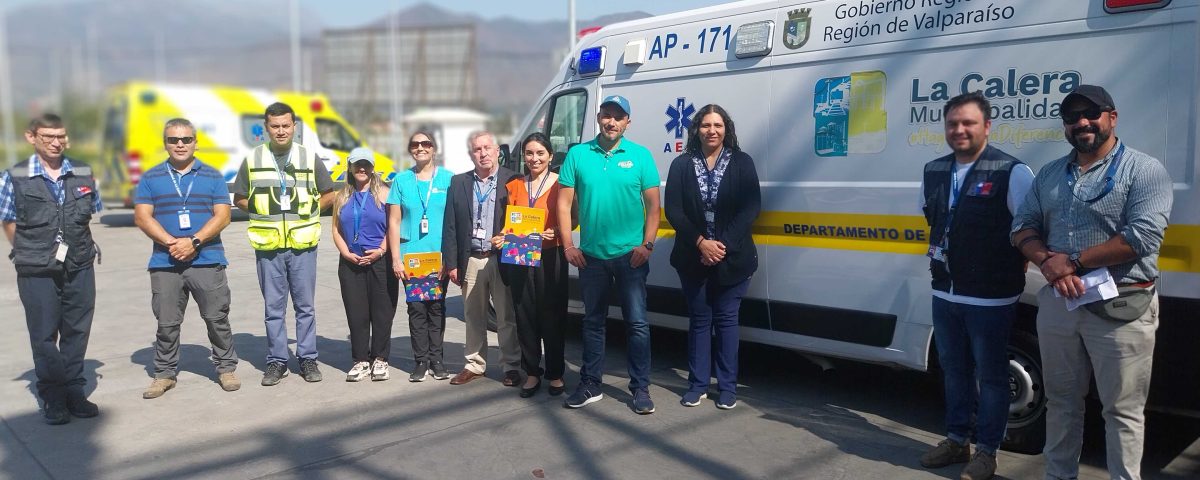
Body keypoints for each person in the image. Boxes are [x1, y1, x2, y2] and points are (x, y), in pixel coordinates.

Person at [1011, 85, 1172, 480]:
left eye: (1091, 113)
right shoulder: (1050, 174)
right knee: (1061, 403)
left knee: (1123, 411)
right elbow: (1021, 227)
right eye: (1072, 117)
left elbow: (1143, 237)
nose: (1081, 122)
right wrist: (1048, 263)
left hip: (1122, 306)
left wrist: (1073, 262)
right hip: (1060, 305)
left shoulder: (1144, 169)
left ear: (1111, 118)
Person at [917, 92, 1035, 480]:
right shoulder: (934, 170)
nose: (959, 130)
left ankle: (987, 451)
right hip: (945, 291)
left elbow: (1028, 229)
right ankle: (956, 440)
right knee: (954, 371)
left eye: (968, 122)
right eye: (953, 123)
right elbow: (933, 220)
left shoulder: (1012, 172)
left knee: (992, 375)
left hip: (991, 297)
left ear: (987, 126)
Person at [558, 95, 662, 414]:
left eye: (618, 116)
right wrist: (568, 246)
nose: (611, 121)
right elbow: (563, 204)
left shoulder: (640, 156)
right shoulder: (578, 154)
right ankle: (590, 384)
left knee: (637, 324)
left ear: (628, 122)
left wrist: (647, 245)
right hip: (591, 257)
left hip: (630, 257)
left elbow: (654, 207)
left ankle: (640, 388)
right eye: (607, 115)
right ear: (598, 118)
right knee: (593, 323)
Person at [0, 113, 103, 424]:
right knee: (44, 334)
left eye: (61, 136)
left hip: (79, 263)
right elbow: (8, 221)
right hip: (36, 268)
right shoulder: (13, 176)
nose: (56, 143)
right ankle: (53, 395)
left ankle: (74, 391)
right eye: (48, 137)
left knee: (77, 329)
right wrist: (30, 250)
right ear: (31, 137)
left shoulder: (83, 171)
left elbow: (90, 214)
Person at [133, 118, 241, 399]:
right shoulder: (151, 178)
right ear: (165, 143)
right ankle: (164, 374)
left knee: (216, 318)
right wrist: (172, 243)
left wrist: (193, 241)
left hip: (207, 259)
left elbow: (223, 216)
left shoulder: (213, 176)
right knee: (166, 322)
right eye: (173, 140)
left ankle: (226, 368)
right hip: (165, 261)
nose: (180, 144)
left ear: (195, 143)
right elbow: (142, 217)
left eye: (186, 139)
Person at [664, 104, 761, 411]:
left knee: (727, 321)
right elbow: (674, 210)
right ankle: (697, 385)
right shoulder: (682, 164)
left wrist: (721, 246)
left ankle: (728, 387)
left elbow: (751, 208)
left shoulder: (742, 162)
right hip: (692, 257)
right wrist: (701, 243)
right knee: (699, 321)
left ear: (726, 129)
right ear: (697, 129)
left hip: (733, 258)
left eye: (718, 125)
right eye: (706, 125)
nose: (712, 131)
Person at [232, 102, 336, 386]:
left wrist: (310, 210)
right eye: (275, 126)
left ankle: (307, 358)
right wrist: (260, 208)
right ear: (266, 128)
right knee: (273, 309)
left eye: (286, 126)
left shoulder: (308, 158)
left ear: (294, 127)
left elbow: (329, 194)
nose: (281, 131)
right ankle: (277, 361)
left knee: (305, 307)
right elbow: (238, 198)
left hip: (303, 245)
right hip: (269, 247)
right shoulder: (253, 159)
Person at [491, 133, 570, 398]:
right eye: (529, 153)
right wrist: (502, 237)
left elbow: (574, 218)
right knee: (524, 315)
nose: (534, 158)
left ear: (550, 155)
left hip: (551, 255)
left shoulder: (562, 184)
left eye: (540, 153)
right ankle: (532, 372)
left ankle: (555, 373)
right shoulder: (515, 185)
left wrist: (556, 231)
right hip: (521, 255)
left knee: (553, 314)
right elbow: (510, 222)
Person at [441, 130, 522, 386]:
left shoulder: (513, 180)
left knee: (506, 316)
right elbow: (450, 225)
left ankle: (511, 366)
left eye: (488, 148)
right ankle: (474, 365)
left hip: (501, 258)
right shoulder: (459, 182)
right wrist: (452, 263)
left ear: (498, 151)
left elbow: (521, 220)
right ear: (471, 154)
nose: (483, 153)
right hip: (471, 259)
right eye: (477, 149)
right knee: (473, 315)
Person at [387, 131, 454, 382]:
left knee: (436, 307)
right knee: (416, 309)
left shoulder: (448, 179)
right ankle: (421, 361)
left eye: (426, 143)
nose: (420, 148)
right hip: (412, 258)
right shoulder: (401, 180)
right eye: (415, 144)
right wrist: (396, 258)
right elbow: (394, 222)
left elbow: (455, 220)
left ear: (434, 148)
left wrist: (451, 257)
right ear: (410, 149)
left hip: (438, 258)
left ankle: (437, 359)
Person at [332, 147, 398, 382]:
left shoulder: (385, 193)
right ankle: (361, 360)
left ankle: (380, 358)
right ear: (350, 167)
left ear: (372, 168)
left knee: (382, 312)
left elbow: (393, 227)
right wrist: (345, 253)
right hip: (351, 262)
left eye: (366, 165)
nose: (362, 168)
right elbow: (336, 230)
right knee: (356, 313)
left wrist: (380, 250)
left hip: (380, 261)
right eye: (357, 164)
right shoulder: (342, 196)